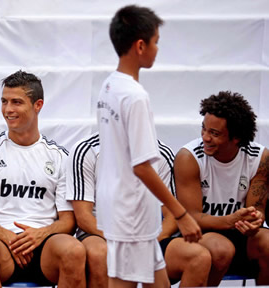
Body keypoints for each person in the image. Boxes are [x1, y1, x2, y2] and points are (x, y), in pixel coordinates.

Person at [95, 5, 202, 288]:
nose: (157, 48)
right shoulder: (135, 96)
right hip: (130, 212)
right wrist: (180, 214)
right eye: (156, 42)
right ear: (140, 45)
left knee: (159, 283)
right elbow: (141, 166)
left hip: (125, 209)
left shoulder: (108, 86)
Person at [0, 70, 86, 288]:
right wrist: (8, 237)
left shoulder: (60, 157)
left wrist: (40, 234)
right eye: (4, 102)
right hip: (1, 244)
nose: (8, 109)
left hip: (45, 245)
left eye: (16, 102)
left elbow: (68, 221)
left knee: (74, 250)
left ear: (38, 105)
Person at [67, 134, 211, 287]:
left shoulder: (161, 153)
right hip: (101, 234)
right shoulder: (87, 150)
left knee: (199, 257)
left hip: (147, 236)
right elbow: (84, 217)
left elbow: (171, 217)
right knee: (100, 254)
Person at [174, 91, 269, 285]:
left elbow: (257, 208)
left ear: (236, 138)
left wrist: (255, 220)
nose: (205, 138)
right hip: (201, 235)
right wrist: (230, 220)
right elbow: (191, 217)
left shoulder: (260, 157)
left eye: (214, 133)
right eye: (204, 129)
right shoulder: (188, 157)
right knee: (221, 249)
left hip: (240, 235)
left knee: (268, 244)